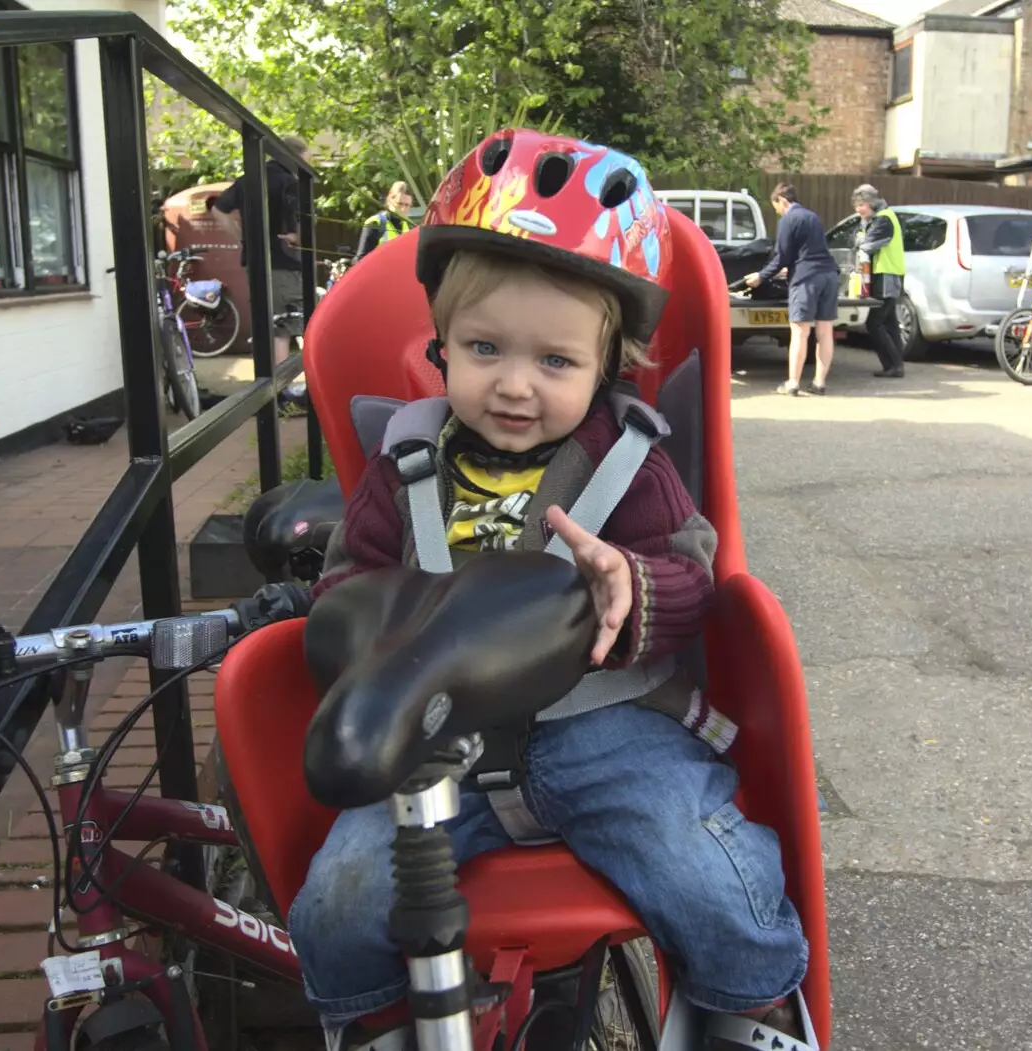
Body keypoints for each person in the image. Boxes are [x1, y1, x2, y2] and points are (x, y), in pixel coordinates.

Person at [288, 130, 811, 1049]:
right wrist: (365, 629)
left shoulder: (627, 462)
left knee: (708, 872)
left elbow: (696, 573)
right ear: (439, 347)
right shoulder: (405, 463)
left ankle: (750, 1004)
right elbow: (349, 581)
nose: (516, 385)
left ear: (607, 364)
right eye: (485, 348)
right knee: (339, 898)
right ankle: (370, 1024)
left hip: (607, 731)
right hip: (435, 752)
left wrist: (636, 589)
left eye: (556, 362)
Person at [211, 134, 314, 367]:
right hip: (284, 263)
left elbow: (219, 211)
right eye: (305, 161)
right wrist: (297, 237)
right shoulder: (291, 183)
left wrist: (244, 239)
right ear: (294, 157)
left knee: (267, 324)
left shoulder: (248, 179)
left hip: (254, 264)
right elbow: (303, 220)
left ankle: (269, 387)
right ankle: (283, 392)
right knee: (286, 326)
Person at [742, 184, 838, 396]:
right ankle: (819, 383)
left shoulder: (788, 219)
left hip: (806, 278)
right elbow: (806, 250)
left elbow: (782, 256)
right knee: (825, 331)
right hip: (829, 275)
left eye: (775, 206)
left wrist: (761, 276)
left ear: (782, 201)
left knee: (800, 331)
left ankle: (793, 383)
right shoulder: (813, 217)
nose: (776, 211)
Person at [850, 184, 906, 379]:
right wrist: (861, 233)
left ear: (871, 203)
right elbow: (855, 238)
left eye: (861, 205)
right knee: (889, 322)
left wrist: (861, 237)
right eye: (856, 206)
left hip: (886, 275)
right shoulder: (877, 218)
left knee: (875, 323)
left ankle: (894, 365)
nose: (858, 210)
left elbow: (865, 243)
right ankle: (895, 365)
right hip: (887, 274)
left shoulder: (884, 219)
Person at [351, 180, 416, 263]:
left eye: (407, 205)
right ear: (389, 200)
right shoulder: (375, 223)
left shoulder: (409, 227)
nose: (403, 209)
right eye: (399, 204)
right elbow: (360, 261)